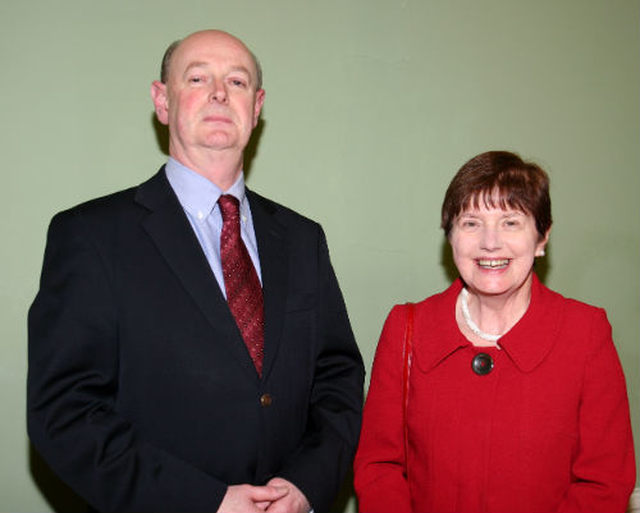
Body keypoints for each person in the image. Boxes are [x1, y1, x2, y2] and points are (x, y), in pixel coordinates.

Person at [28, 29, 364, 513]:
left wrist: (306, 485)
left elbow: (337, 378)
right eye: (197, 77)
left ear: (257, 106)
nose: (220, 93)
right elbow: (65, 412)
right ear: (162, 101)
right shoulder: (90, 235)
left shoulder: (302, 238)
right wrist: (206, 502)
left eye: (238, 81)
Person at [353, 151, 635, 512]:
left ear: (542, 238)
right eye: (471, 223)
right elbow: (379, 466)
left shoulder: (585, 334)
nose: (490, 242)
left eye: (510, 222)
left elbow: (604, 482)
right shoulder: (406, 329)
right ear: (450, 236)